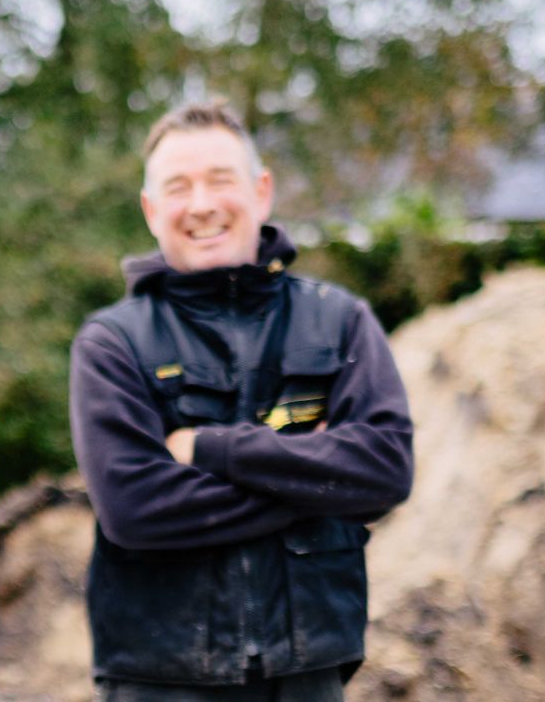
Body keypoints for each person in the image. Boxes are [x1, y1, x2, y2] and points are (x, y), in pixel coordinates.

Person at [68, 101, 416, 701]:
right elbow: (134, 507)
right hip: (158, 677)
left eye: (220, 179)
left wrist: (211, 449)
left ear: (262, 192)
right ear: (151, 210)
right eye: (179, 187)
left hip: (308, 672)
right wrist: (315, 480)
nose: (202, 204)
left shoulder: (340, 321)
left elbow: (384, 469)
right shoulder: (112, 342)